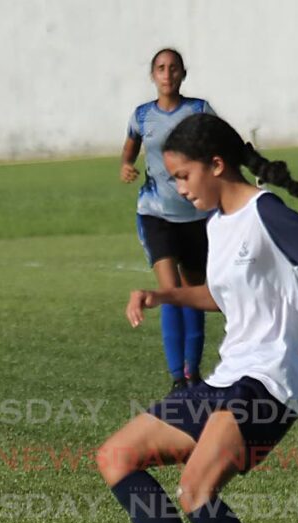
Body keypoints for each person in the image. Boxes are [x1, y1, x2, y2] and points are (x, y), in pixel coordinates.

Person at [98, 112, 298, 523]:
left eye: (184, 176)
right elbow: (223, 296)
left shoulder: (266, 212)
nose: (179, 188)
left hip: (270, 382)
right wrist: (160, 294)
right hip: (226, 379)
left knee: (197, 488)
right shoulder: (217, 224)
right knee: (116, 457)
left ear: (217, 164)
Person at [120, 49, 217, 391]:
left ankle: (194, 373)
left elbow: (220, 144)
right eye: (161, 68)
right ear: (152, 75)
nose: (167, 74)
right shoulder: (142, 115)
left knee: (195, 293)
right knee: (170, 291)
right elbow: (130, 146)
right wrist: (126, 165)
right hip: (155, 212)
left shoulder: (199, 110)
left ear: (182, 74)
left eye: (173, 68)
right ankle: (178, 377)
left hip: (196, 214)